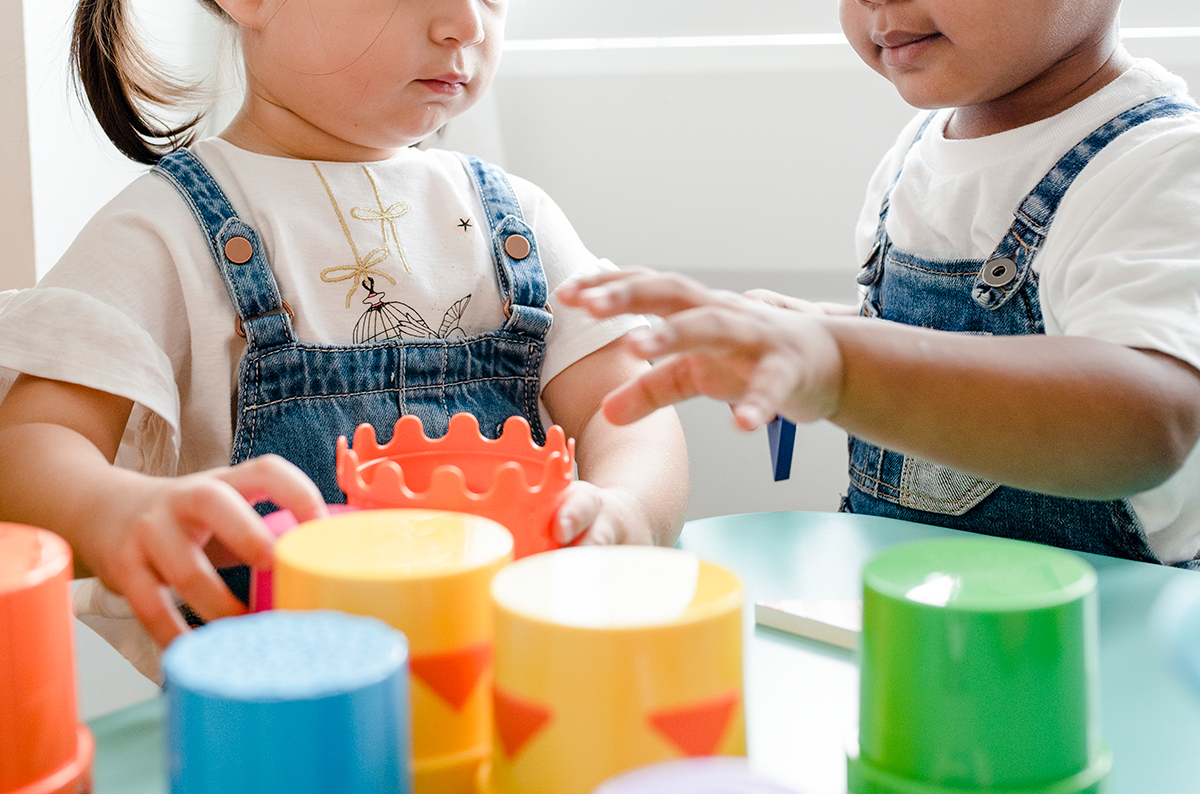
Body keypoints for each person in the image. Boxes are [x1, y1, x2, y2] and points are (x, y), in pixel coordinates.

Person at [0, 0, 688, 675]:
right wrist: (112, 511)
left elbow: (629, 406)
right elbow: (28, 450)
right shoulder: (163, 231)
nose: (467, 24)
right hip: (279, 721)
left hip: (508, 699)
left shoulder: (516, 220)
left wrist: (628, 509)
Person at [559, 0, 1200, 568]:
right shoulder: (917, 153)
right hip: (923, 615)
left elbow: (1152, 421)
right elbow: (939, 340)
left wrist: (842, 365)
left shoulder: (1160, 163)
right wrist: (817, 333)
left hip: (1107, 636)